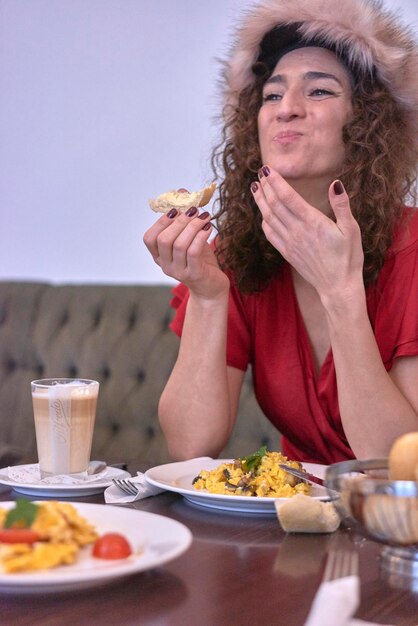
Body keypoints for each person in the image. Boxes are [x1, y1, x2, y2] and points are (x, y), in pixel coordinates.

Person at [143, 0, 418, 465]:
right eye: (272, 95)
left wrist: (340, 292)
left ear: (368, 123)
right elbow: (191, 446)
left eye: (319, 92)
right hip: (299, 520)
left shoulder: (412, 251)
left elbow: (399, 465)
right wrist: (209, 298)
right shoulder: (236, 255)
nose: (286, 110)